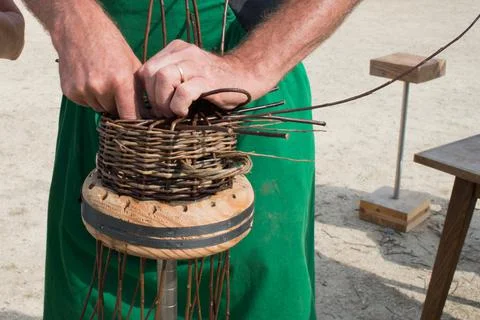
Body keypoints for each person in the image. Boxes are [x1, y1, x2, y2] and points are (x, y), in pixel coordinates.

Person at [23, 0, 360, 319]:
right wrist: (72, 18)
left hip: (250, 97)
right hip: (105, 98)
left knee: (256, 295)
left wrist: (255, 63)